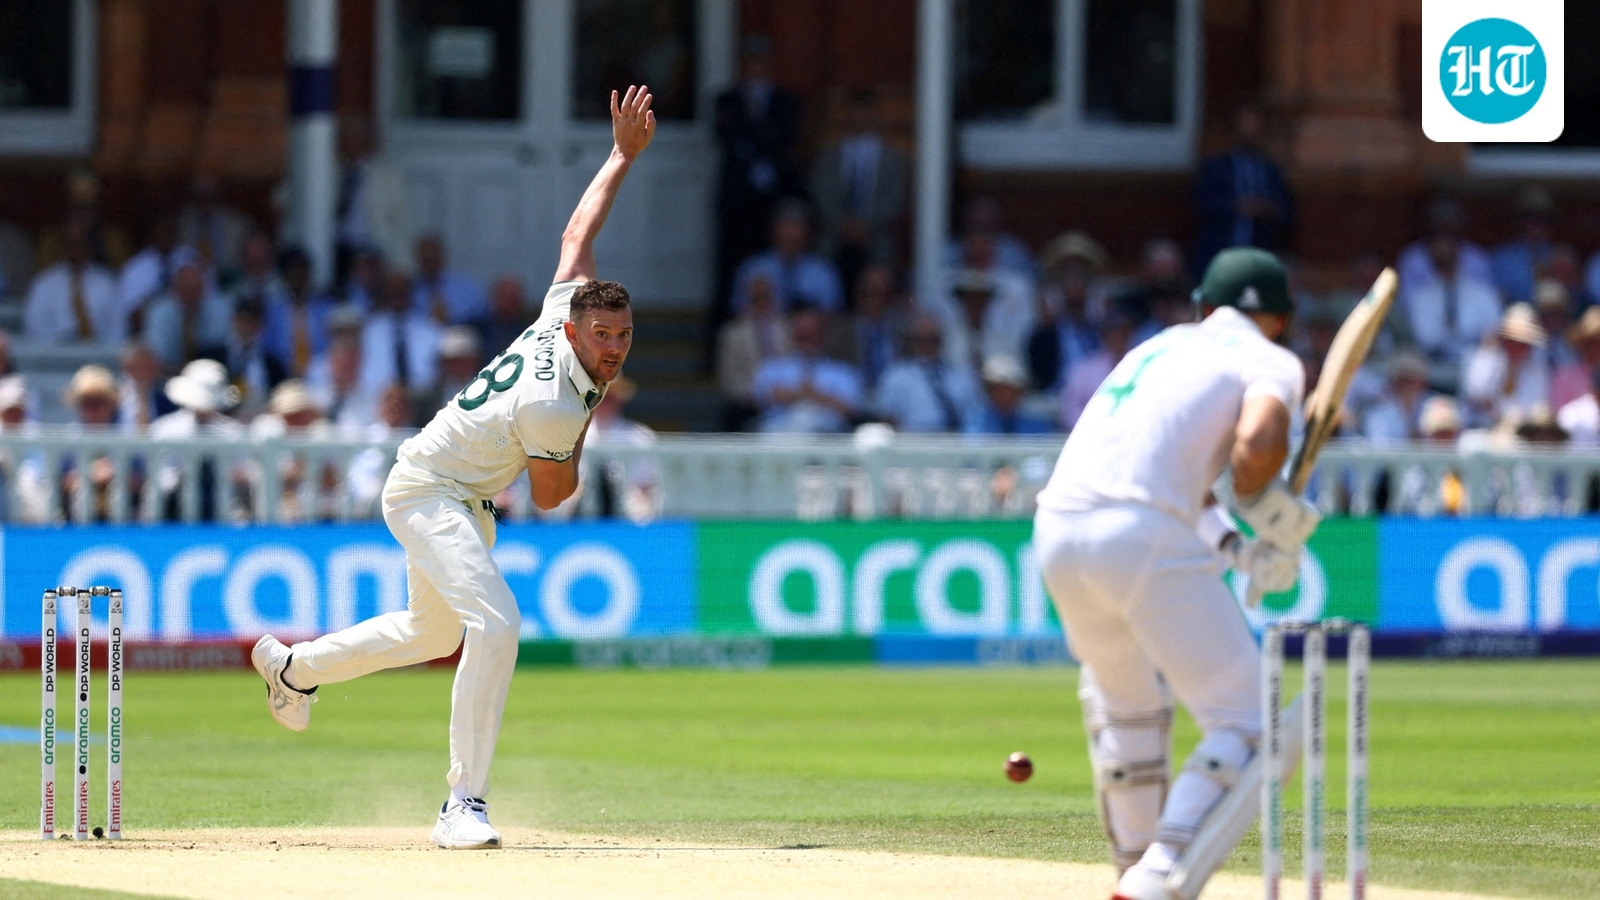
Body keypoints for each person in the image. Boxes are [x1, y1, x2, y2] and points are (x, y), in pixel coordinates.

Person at [250, 84, 657, 851]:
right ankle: (461, 804)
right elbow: (556, 495)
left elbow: (577, 230)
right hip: (428, 491)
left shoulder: (556, 311)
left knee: (428, 633)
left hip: (455, 496)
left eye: (624, 336)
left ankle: (294, 669)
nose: (614, 348)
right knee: (496, 622)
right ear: (573, 329)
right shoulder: (556, 405)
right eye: (602, 336)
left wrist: (619, 156)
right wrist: (588, 417)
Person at [1031, 248, 1318, 900]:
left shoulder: (1155, 349)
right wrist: (1272, 511)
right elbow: (1252, 453)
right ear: (1279, 318)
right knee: (1246, 717)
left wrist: (1240, 550)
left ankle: (1131, 869)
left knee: (1128, 710)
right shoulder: (1271, 359)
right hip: (1142, 534)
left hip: (1058, 531)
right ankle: (1158, 872)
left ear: (1203, 306)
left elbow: (1173, 471)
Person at [811, 88, 908, 296]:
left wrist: (865, 226)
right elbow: (821, 194)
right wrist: (845, 224)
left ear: (875, 115)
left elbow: (895, 199)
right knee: (824, 281)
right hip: (835, 237)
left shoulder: (892, 158)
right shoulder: (829, 155)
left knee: (880, 279)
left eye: (865, 112)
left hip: (875, 237)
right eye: (855, 112)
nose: (860, 118)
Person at [1191, 105, 1293, 277]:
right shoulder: (1216, 167)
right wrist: (1236, 206)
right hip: (1219, 251)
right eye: (1245, 123)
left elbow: (1286, 210)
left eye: (1254, 124)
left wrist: (1265, 209)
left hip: (1259, 253)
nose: (1250, 130)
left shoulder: (1270, 170)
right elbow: (1201, 202)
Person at [751, 306, 862, 433]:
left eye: (812, 336)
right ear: (793, 336)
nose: (807, 342)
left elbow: (849, 410)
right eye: (802, 336)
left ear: (822, 337)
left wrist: (809, 395)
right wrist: (810, 395)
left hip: (825, 436)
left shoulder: (842, 372)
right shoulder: (772, 368)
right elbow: (761, 398)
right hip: (778, 434)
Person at [873, 314, 983, 433]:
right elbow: (886, 420)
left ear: (941, 341)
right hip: (912, 444)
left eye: (933, 340)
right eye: (921, 340)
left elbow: (974, 416)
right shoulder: (896, 376)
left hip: (954, 444)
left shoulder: (960, 376)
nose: (927, 346)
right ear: (912, 341)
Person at [730, 202, 845, 314]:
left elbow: (832, 314)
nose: (790, 233)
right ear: (773, 229)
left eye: (796, 226)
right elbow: (739, 312)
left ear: (808, 232)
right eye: (785, 225)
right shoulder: (752, 268)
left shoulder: (824, 272)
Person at [24, 219, 123, 346]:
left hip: (98, 357)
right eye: (70, 244)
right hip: (54, 359)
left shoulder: (108, 283)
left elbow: (118, 331)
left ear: (90, 246)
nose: (74, 251)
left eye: (79, 244)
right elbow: (35, 332)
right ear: (61, 246)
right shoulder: (44, 284)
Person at [716, 273, 790, 431]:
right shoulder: (733, 333)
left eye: (766, 297)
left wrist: (786, 393)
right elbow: (728, 377)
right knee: (732, 415)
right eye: (756, 298)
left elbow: (795, 363)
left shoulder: (787, 328)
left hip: (786, 397)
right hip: (749, 399)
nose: (761, 303)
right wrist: (753, 395)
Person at [1462, 303, 1550, 429]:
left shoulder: (1537, 371)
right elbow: (1476, 392)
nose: (1516, 347)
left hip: (1521, 431)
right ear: (1503, 339)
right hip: (1483, 427)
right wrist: (1489, 348)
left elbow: (1533, 406)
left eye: (1523, 343)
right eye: (1512, 341)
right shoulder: (1485, 359)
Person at [412, 235, 488, 325]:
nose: (429, 262)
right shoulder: (412, 290)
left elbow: (480, 310)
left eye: (431, 256)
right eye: (425, 258)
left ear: (441, 256)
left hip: (461, 331)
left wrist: (451, 317)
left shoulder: (465, 285)